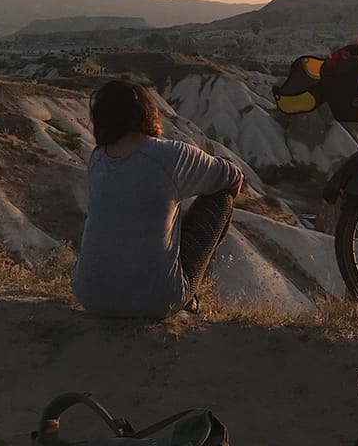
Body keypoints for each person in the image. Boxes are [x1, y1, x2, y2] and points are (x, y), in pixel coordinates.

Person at [71, 80, 243, 318]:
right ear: (147, 112)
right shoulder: (170, 155)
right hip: (157, 302)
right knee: (222, 198)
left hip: (91, 296)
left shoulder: (97, 158)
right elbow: (233, 177)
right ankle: (187, 294)